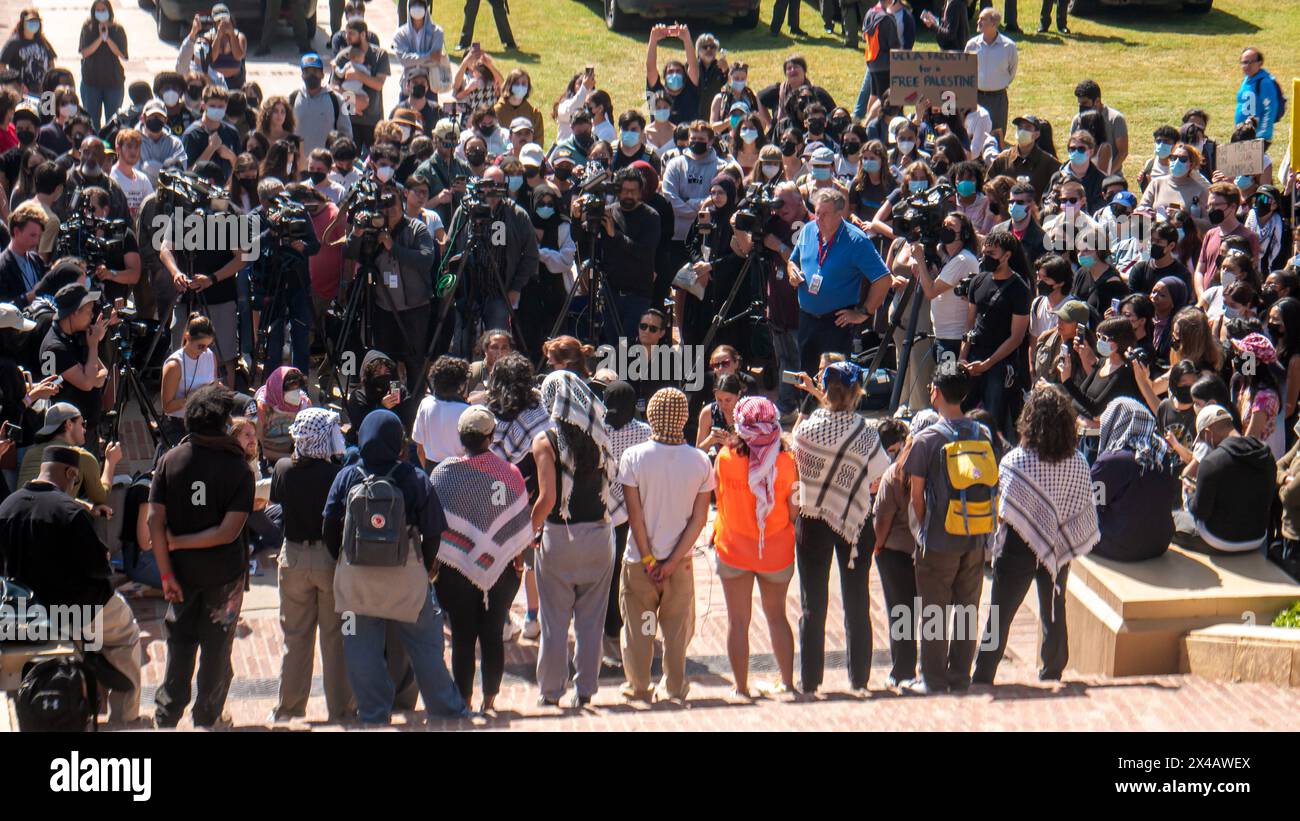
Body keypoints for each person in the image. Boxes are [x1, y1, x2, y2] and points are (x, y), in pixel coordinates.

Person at [321, 409, 468, 724]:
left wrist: (343, 560)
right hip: (406, 575)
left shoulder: (347, 476)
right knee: (426, 645)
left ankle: (374, 713)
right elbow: (433, 532)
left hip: (357, 576)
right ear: (399, 444)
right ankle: (445, 708)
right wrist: (426, 569)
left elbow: (329, 526)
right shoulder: (414, 477)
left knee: (361, 648)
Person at [0, 444, 143, 725]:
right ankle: (125, 720)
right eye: (75, 479)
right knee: (125, 636)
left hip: (25, 615)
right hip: (78, 610)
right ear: (69, 473)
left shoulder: (6, 507)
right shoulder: (69, 511)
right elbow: (99, 570)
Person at [973, 386, 1097, 685]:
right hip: (1058, 545)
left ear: (1029, 420)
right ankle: (1053, 670)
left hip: (1016, 545)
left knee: (1000, 615)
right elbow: (1081, 506)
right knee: (1054, 607)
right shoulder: (1078, 461)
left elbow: (1002, 508)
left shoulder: (1015, 460)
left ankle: (984, 673)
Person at [147, 383, 253, 728]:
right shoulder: (238, 468)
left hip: (180, 576)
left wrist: (166, 571)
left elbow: (154, 520)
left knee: (180, 645)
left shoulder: (169, 461)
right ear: (222, 423)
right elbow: (228, 532)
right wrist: (182, 543)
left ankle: (167, 717)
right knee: (216, 649)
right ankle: (207, 718)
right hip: (224, 577)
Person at [791, 363, 888, 693]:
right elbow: (878, 477)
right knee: (858, 602)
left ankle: (809, 681)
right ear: (858, 392)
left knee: (812, 605)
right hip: (855, 520)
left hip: (813, 514)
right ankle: (859, 679)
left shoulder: (806, 431)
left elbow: (797, 463)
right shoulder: (866, 432)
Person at [430, 405, 531, 713]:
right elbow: (519, 525)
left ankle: (464, 698)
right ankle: (490, 698)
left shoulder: (443, 473)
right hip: (501, 569)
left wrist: (433, 561)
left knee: (462, 635)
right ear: (490, 436)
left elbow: (434, 523)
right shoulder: (510, 474)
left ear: (461, 436)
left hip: (455, 568)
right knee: (492, 634)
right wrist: (516, 559)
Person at [618, 387, 713, 702]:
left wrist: (648, 559)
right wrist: (672, 561)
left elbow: (635, 516)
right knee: (675, 631)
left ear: (651, 416)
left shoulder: (634, 457)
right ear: (684, 417)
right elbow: (699, 519)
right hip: (680, 564)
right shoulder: (700, 461)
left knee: (640, 629)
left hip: (639, 560)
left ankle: (639, 685)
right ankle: (674, 687)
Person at [903, 363, 993, 695]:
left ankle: (933, 680)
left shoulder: (927, 439)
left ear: (936, 393)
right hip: (975, 535)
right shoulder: (981, 433)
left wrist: (925, 529)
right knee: (967, 609)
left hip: (939, 539)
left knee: (933, 613)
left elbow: (916, 496)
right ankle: (959, 677)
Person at [529, 371, 616, 707]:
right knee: (591, 622)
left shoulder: (546, 441)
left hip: (558, 538)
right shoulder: (600, 434)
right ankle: (586, 690)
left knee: (554, 622)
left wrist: (526, 532)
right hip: (598, 535)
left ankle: (551, 693)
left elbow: (548, 498)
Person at [268, 408, 354, 723]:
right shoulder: (337, 474)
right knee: (336, 637)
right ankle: (342, 709)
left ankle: (289, 709)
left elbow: (276, 507)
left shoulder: (283, 468)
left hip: (292, 557)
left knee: (295, 637)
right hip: (329, 559)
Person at [710, 396, 797, 697]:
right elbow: (795, 509)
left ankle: (741, 688)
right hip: (776, 551)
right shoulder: (787, 461)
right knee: (777, 617)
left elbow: (718, 498)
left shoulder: (725, 458)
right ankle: (787, 683)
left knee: (737, 621)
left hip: (733, 548)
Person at [787, 187, 890, 374]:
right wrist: (792, 271)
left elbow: (883, 279)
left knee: (835, 381)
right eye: (817, 212)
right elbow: (793, 260)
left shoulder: (856, 240)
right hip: (807, 319)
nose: (818, 218)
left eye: (825, 214)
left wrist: (863, 313)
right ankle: (806, 405)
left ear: (840, 214)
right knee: (806, 377)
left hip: (836, 323)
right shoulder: (808, 230)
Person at [1173, 403, 1275, 554]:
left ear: (1208, 433)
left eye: (1202, 437)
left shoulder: (1211, 462)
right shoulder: (1266, 455)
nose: (1204, 442)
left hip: (1221, 540)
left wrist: (1190, 494)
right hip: (1258, 538)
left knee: (1171, 518)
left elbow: (1200, 512)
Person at [1090, 397, 1180, 562]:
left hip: (1121, 546)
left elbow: (1092, 503)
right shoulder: (1162, 454)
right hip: (1160, 543)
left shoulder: (1112, 460)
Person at [961, 230, 1030, 434]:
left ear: (1007, 256)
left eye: (991, 254)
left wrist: (988, 364)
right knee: (961, 412)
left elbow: (1016, 337)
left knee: (993, 419)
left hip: (1000, 363)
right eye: (984, 253)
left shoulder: (1019, 289)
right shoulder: (978, 281)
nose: (986, 258)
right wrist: (963, 358)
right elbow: (970, 325)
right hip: (974, 357)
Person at [40, 283, 108, 457]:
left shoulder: (75, 335)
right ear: (74, 312)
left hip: (86, 426)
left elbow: (102, 372)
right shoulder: (55, 346)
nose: (92, 316)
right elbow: (87, 383)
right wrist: (93, 346)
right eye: (88, 311)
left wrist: (93, 376)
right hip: (69, 434)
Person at [331, 19, 392, 150]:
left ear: (363, 34)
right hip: (349, 120)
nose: (347, 38)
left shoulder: (379, 55)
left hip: (373, 120)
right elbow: (334, 87)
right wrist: (354, 102)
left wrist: (358, 75)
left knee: (374, 160)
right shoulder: (343, 56)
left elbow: (378, 84)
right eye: (346, 34)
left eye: (351, 34)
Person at [965, 8, 1016, 139]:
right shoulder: (971, 45)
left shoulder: (1009, 46)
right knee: (973, 134)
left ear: (993, 23)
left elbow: (1011, 71)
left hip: (998, 99)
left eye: (983, 19)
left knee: (997, 135)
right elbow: (964, 69)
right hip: (976, 96)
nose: (978, 21)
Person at [77, 0, 128, 130]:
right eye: (98, 10)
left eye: (103, 10)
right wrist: (100, 38)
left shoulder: (118, 29)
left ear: (109, 11)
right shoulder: (87, 28)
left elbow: (123, 55)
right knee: (92, 121)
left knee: (113, 122)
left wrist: (107, 38)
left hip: (113, 83)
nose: (100, 13)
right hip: (91, 82)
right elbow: (84, 52)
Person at [412, 356, 470, 469]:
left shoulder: (425, 404)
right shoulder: (467, 411)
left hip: (431, 468)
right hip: (461, 470)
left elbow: (420, 449)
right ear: (461, 384)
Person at [645, 24, 700, 126]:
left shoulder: (691, 91)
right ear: (664, 77)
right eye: (670, 72)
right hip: (659, 140)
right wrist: (653, 39)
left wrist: (686, 38)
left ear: (685, 76)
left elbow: (693, 67)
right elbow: (650, 68)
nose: (674, 74)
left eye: (678, 71)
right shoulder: (657, 93)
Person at [1, 8, 56, 93]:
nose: (34, 24)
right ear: (23, 22)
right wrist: (15, 84)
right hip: (23, 92)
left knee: (48, 106)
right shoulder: (14, 42)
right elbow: (1, 66)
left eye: (36, 21)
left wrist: (51, 84)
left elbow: (51, 62)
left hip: (44, 91)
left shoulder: (42, 41)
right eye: (30, 21)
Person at [1235, 47, 1282, 144]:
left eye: (1251, 62)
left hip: (1256, 137)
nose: (1247, 65)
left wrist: (1262, 134)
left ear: (1260, 63)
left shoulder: (1264, 82)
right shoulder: (1247, 80)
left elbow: (1270, 109)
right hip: (1243, 134)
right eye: (1244, 62)